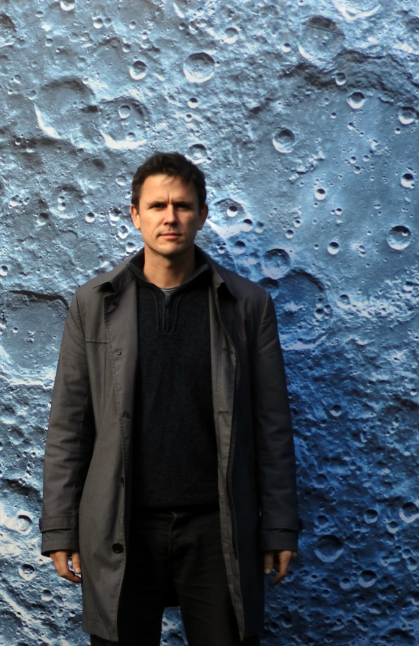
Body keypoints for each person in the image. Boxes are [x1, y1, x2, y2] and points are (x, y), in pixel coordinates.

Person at [39, 152, 302, 645]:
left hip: (217, 527)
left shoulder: (247, 306)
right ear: (135, 214)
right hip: (123, 524)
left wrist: (280, 527)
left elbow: (272, 426)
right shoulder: (93, 303)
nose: (170, 217)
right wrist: (59, 527)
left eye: (183, 206)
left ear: (202, 215)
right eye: (157, 205)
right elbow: (70, 426)